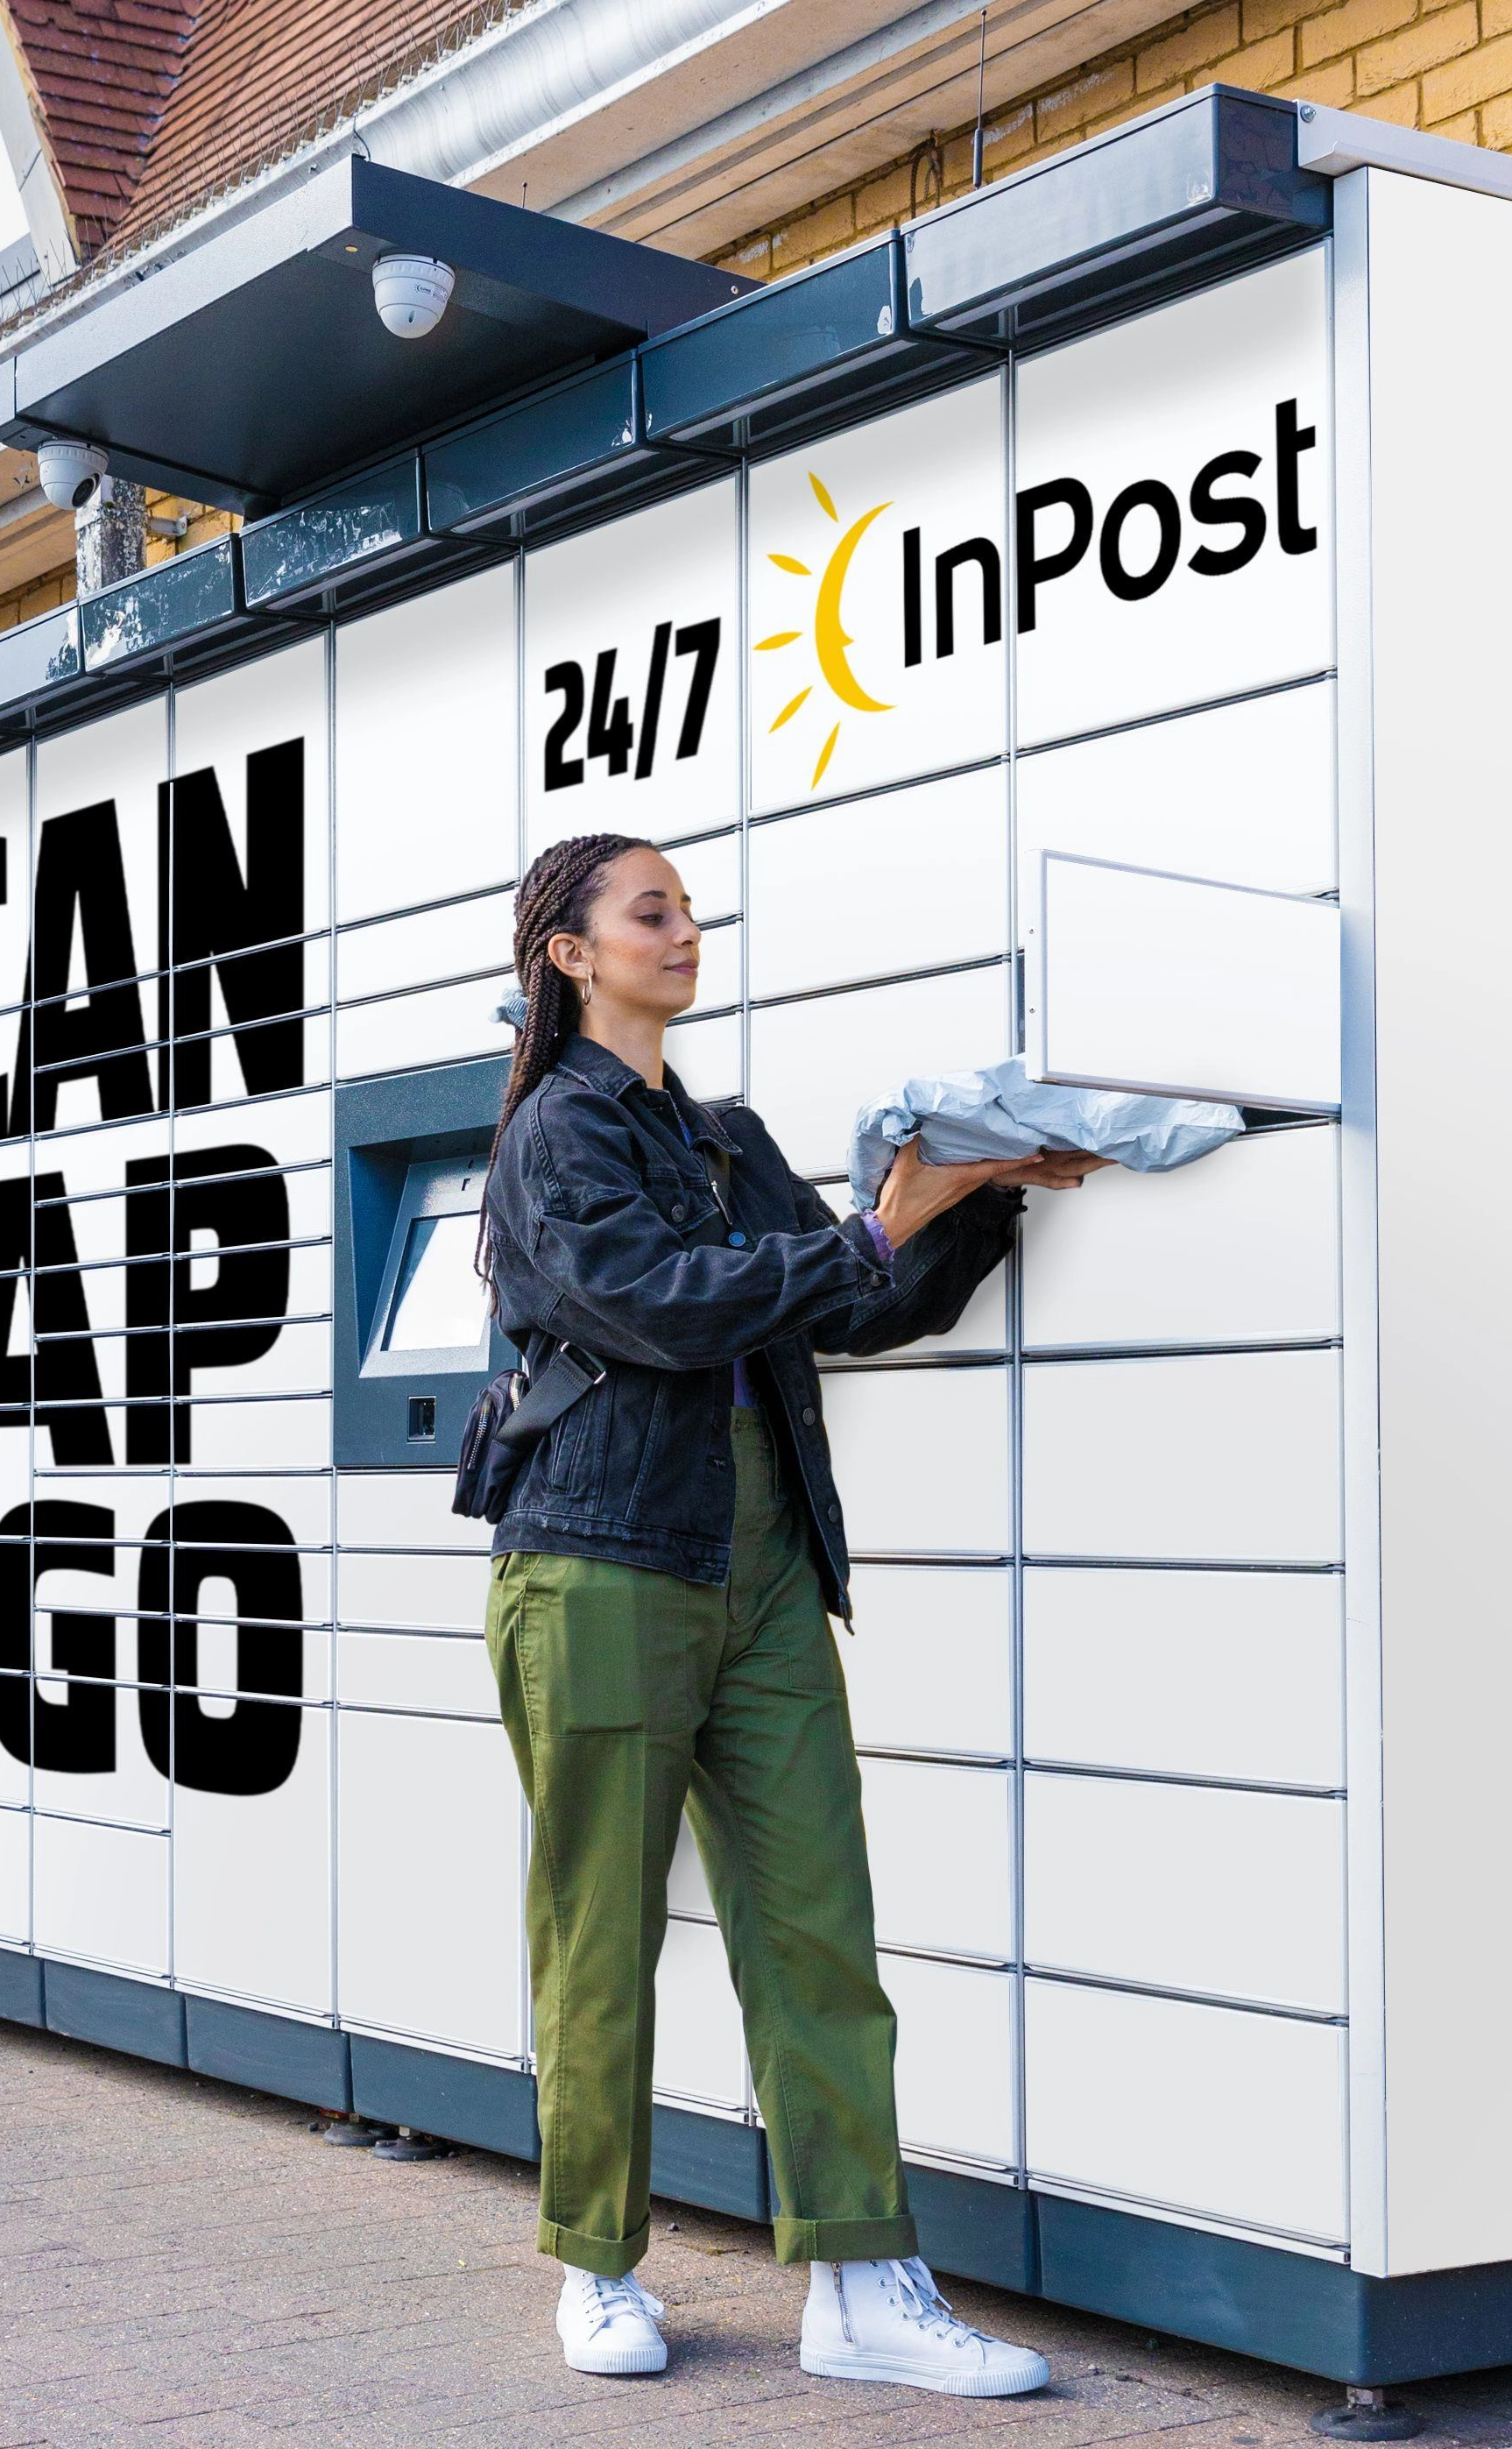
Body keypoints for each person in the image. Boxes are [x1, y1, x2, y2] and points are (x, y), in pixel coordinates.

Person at [476, 830, 1103, 2394]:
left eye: (689, 909)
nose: (684, 930)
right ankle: (595, 2268)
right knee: (602, 1936)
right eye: (652, 911)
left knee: (819, 1929)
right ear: (572, 953)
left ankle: (862, 2285)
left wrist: (972, 1195)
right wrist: (882, 1221)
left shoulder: (722, 1134)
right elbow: (662, 1305)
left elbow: (855, 1296)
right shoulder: (558, 1136)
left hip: (763, 1581)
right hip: (603, 1566)